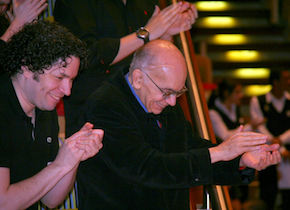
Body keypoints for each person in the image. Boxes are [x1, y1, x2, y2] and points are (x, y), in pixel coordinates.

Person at [77, 39, 281, 210]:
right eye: (166, 92)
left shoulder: (163, 99)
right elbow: (147, 167)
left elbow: (190, 147)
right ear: (138, 78)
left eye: (178, 92)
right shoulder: (105, 104)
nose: (173, 102)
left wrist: (241, 160)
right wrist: (220, 152)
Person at [53, 0, 198, 137]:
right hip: (96, 112)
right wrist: (145, 34)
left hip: (140, 111)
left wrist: (165, 34)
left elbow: (146, 57)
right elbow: (84, 55)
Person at [0, 20, 103, 210]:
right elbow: (3, 203)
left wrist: (72, 158)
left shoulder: (45, 110)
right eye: (60, 77)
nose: (67, 90)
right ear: (27, 66)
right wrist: (59, 165)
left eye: (71, 79)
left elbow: (50, 199)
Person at [208, 81, 266, 210]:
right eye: (237, 92)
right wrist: (251, 126)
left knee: (241, 198)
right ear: (226, 93)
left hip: (239, 161)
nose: (241, 95)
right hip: (224, 162)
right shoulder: (213, 112)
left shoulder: (235, 109)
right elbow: (225, 136)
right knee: (231, 201)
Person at [250, 69, 290, 210]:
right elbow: (258, 125)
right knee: (268, 196)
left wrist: (281, 141)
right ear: (275, 81)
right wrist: (273, 141)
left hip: (288, 155)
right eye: (285, 79)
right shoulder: (258, 101)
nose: (288, 82)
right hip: (267, 151)